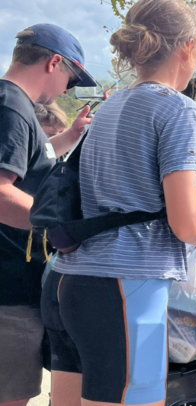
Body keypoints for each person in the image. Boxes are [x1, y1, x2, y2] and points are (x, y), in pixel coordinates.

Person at [40, 1, 196, 405]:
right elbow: (186, 222)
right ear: (188, 48)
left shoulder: (109, 107)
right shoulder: (178, 109)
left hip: (66, 282)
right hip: (123, 290)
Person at [0, 23, 95, 406]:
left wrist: (69, 137)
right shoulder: (12, 107)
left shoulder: (10, 104)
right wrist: (62, 228)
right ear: (54, 62)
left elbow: (24, 163)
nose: (67, 91)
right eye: (70, 80)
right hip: (8, 291)